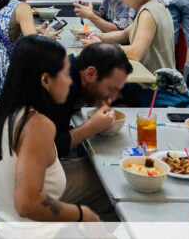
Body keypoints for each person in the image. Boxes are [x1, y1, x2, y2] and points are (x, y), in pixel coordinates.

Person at [0, 34, 101, 232]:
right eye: (65, 73)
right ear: (45, 80)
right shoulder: (37, 125)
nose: (69, 82)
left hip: (4, 224)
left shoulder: (2, 112)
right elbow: (27, 204)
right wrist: (81, 214)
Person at [50, 43, 132, 218]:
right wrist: (90, 127)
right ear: (90, 73)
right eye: (110, 88)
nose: (111, 98)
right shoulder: (60, 87)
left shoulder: (68, 69)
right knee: (116, 184)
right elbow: (52, 146)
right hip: (12, 188)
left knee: (103, 168)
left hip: (13, 172)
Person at [77, 0, 175, 74]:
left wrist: (102, 47)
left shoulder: (148, 12)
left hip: (154, 82)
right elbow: (125, 34)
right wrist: (97, 37)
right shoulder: (155, 4)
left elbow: (136, 53)